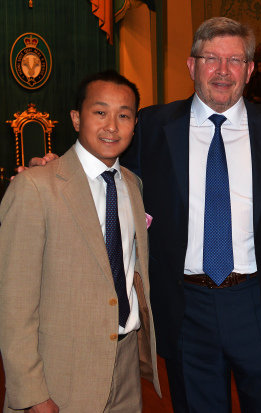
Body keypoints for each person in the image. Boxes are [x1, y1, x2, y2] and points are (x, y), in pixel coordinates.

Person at [120, 17, 261, 413]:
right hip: (187, 308)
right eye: (211, 58)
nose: (222, 70)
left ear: (250, 71)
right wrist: (58, 168)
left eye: (235, 60)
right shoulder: (151, 127)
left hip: (259, 305)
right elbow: (107, 174)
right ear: (191, 65)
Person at [0, 70, 160, 413]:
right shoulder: (36, 187)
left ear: (135, 124)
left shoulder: (133, 185)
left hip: (127, 366)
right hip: (61, 374)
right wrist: (31, 393)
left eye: (124, 115)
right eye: (100, 112)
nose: (112, 126)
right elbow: (14, 304)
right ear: (76, 118)